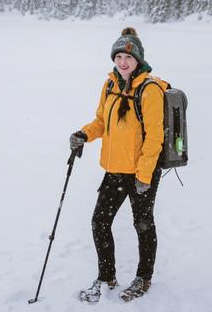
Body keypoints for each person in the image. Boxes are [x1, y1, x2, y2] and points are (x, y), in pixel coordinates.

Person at [69, 27, 165, 303]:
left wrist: (144, 175)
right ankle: (107, 275)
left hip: (140, 171)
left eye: (128, 57)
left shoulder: (150, 90)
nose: (122, 62)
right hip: (115, 169)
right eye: (118, 56)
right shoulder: (110, 84)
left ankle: (143, 277)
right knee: (100, 221)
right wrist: (83, 134)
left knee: (143, 224)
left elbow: (155, 137)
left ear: (138, 59)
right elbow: (101, 121)